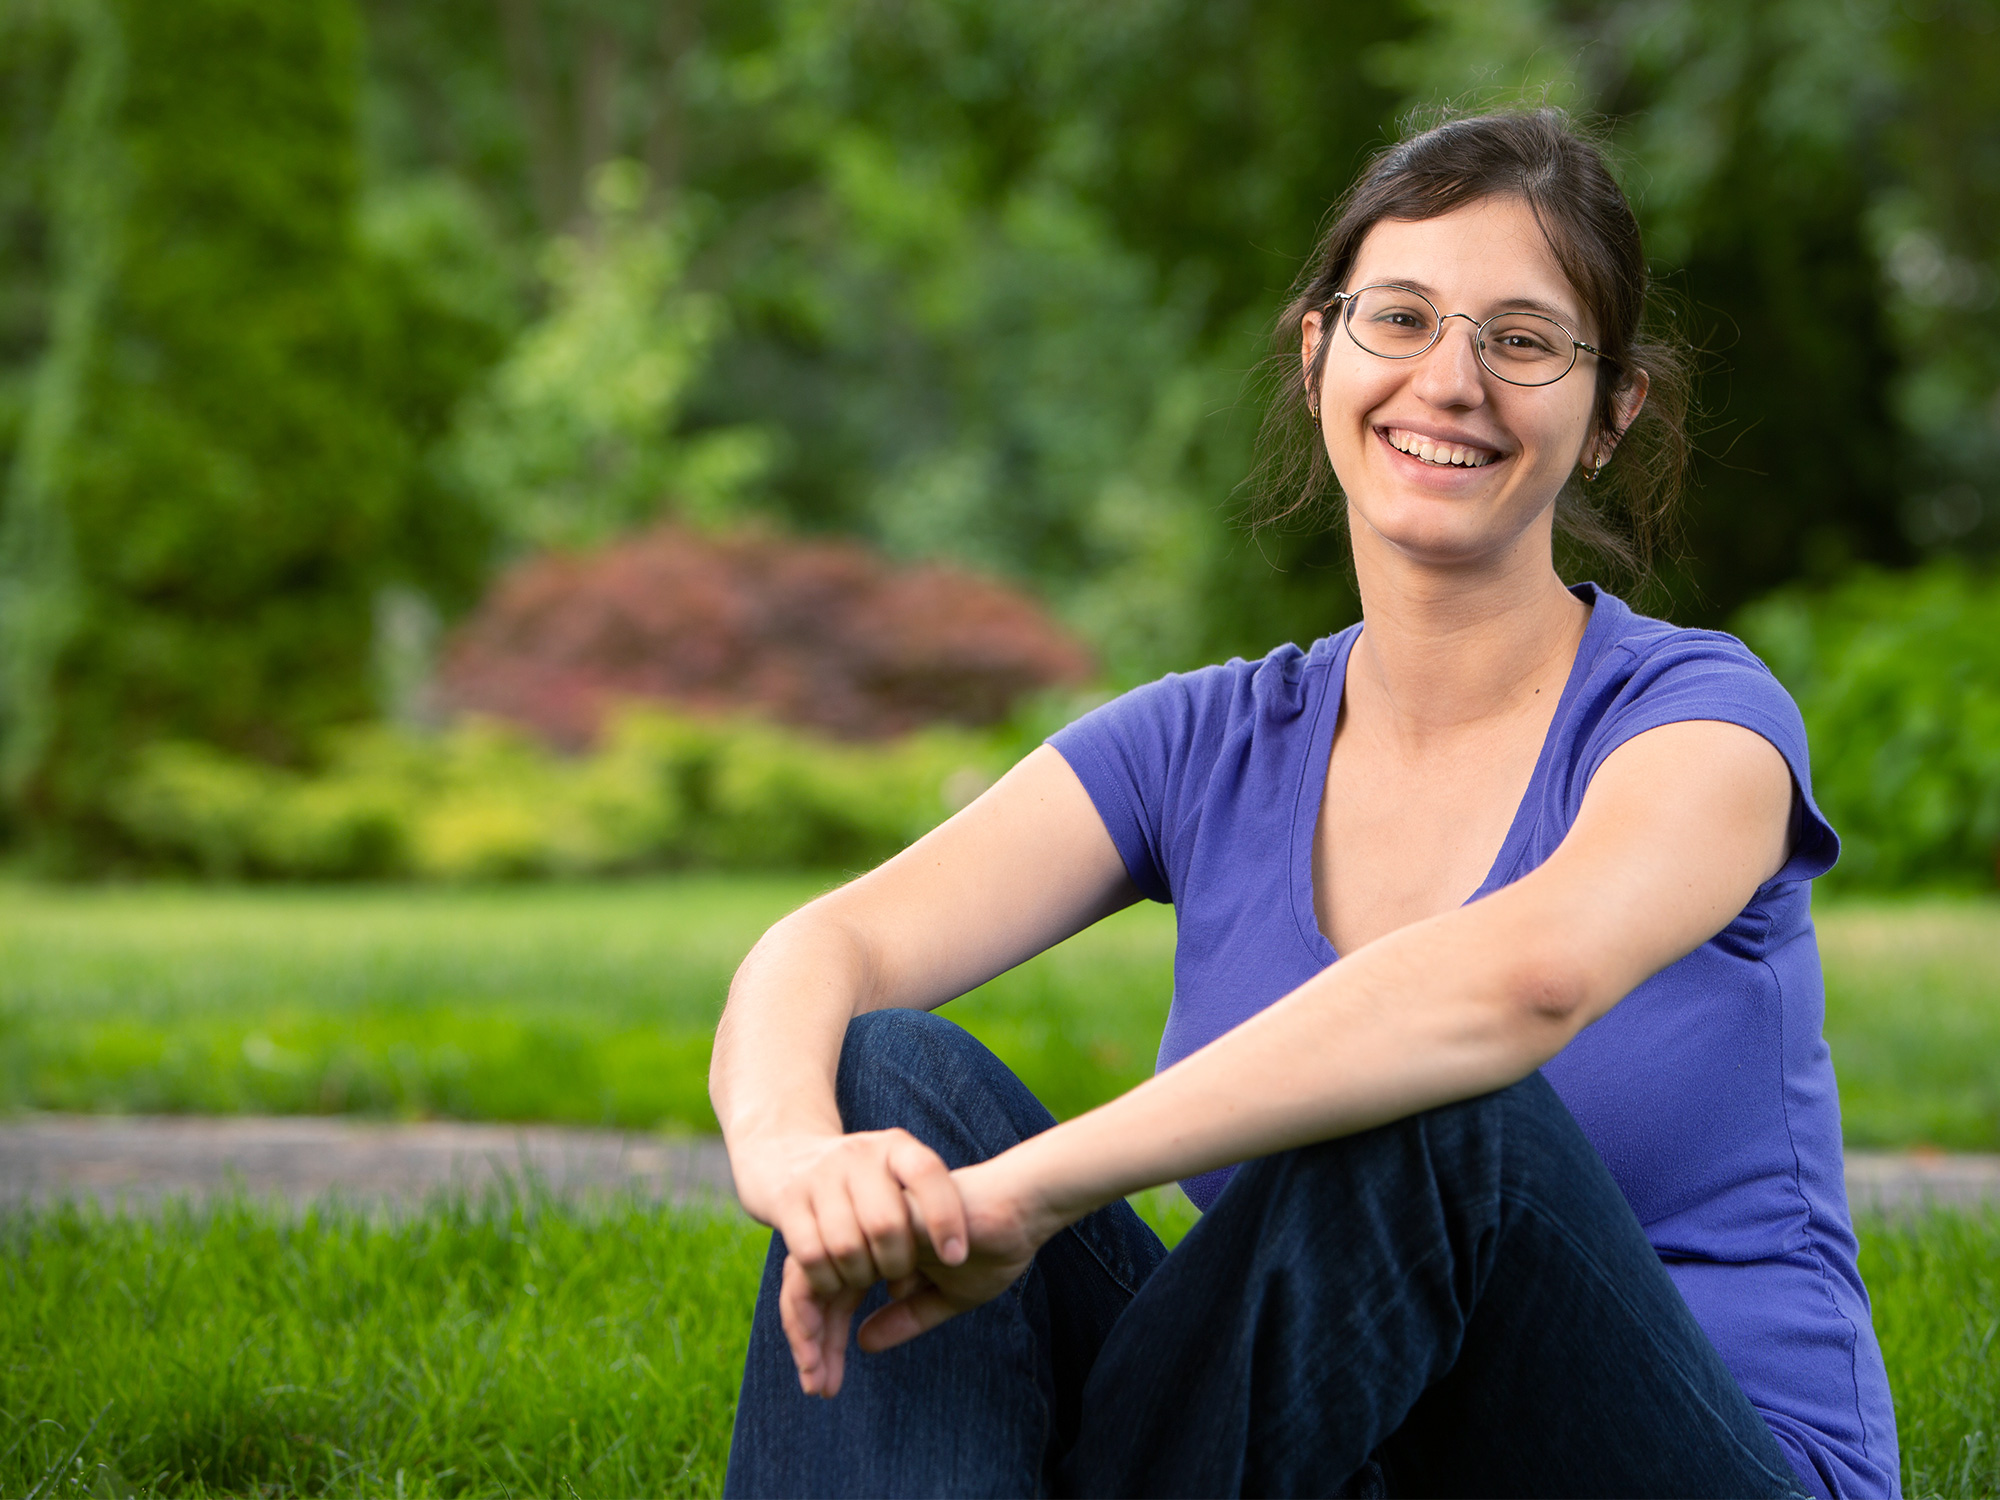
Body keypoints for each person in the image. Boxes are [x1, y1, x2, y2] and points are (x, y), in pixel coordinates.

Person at [710, 108, 1900, 1499]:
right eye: (1399, 318)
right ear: (1318, 352)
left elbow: (1518, 986)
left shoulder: (1701, 721)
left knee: (1449, 1119)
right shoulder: (1215, 736)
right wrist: (800, 1157)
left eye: (1523, 341)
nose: (1452, 382)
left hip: (1701, 1463)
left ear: (1608, 413)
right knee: (891, 1082)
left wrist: (1029, 1193)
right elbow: (821, 950)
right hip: (1326, 1453)